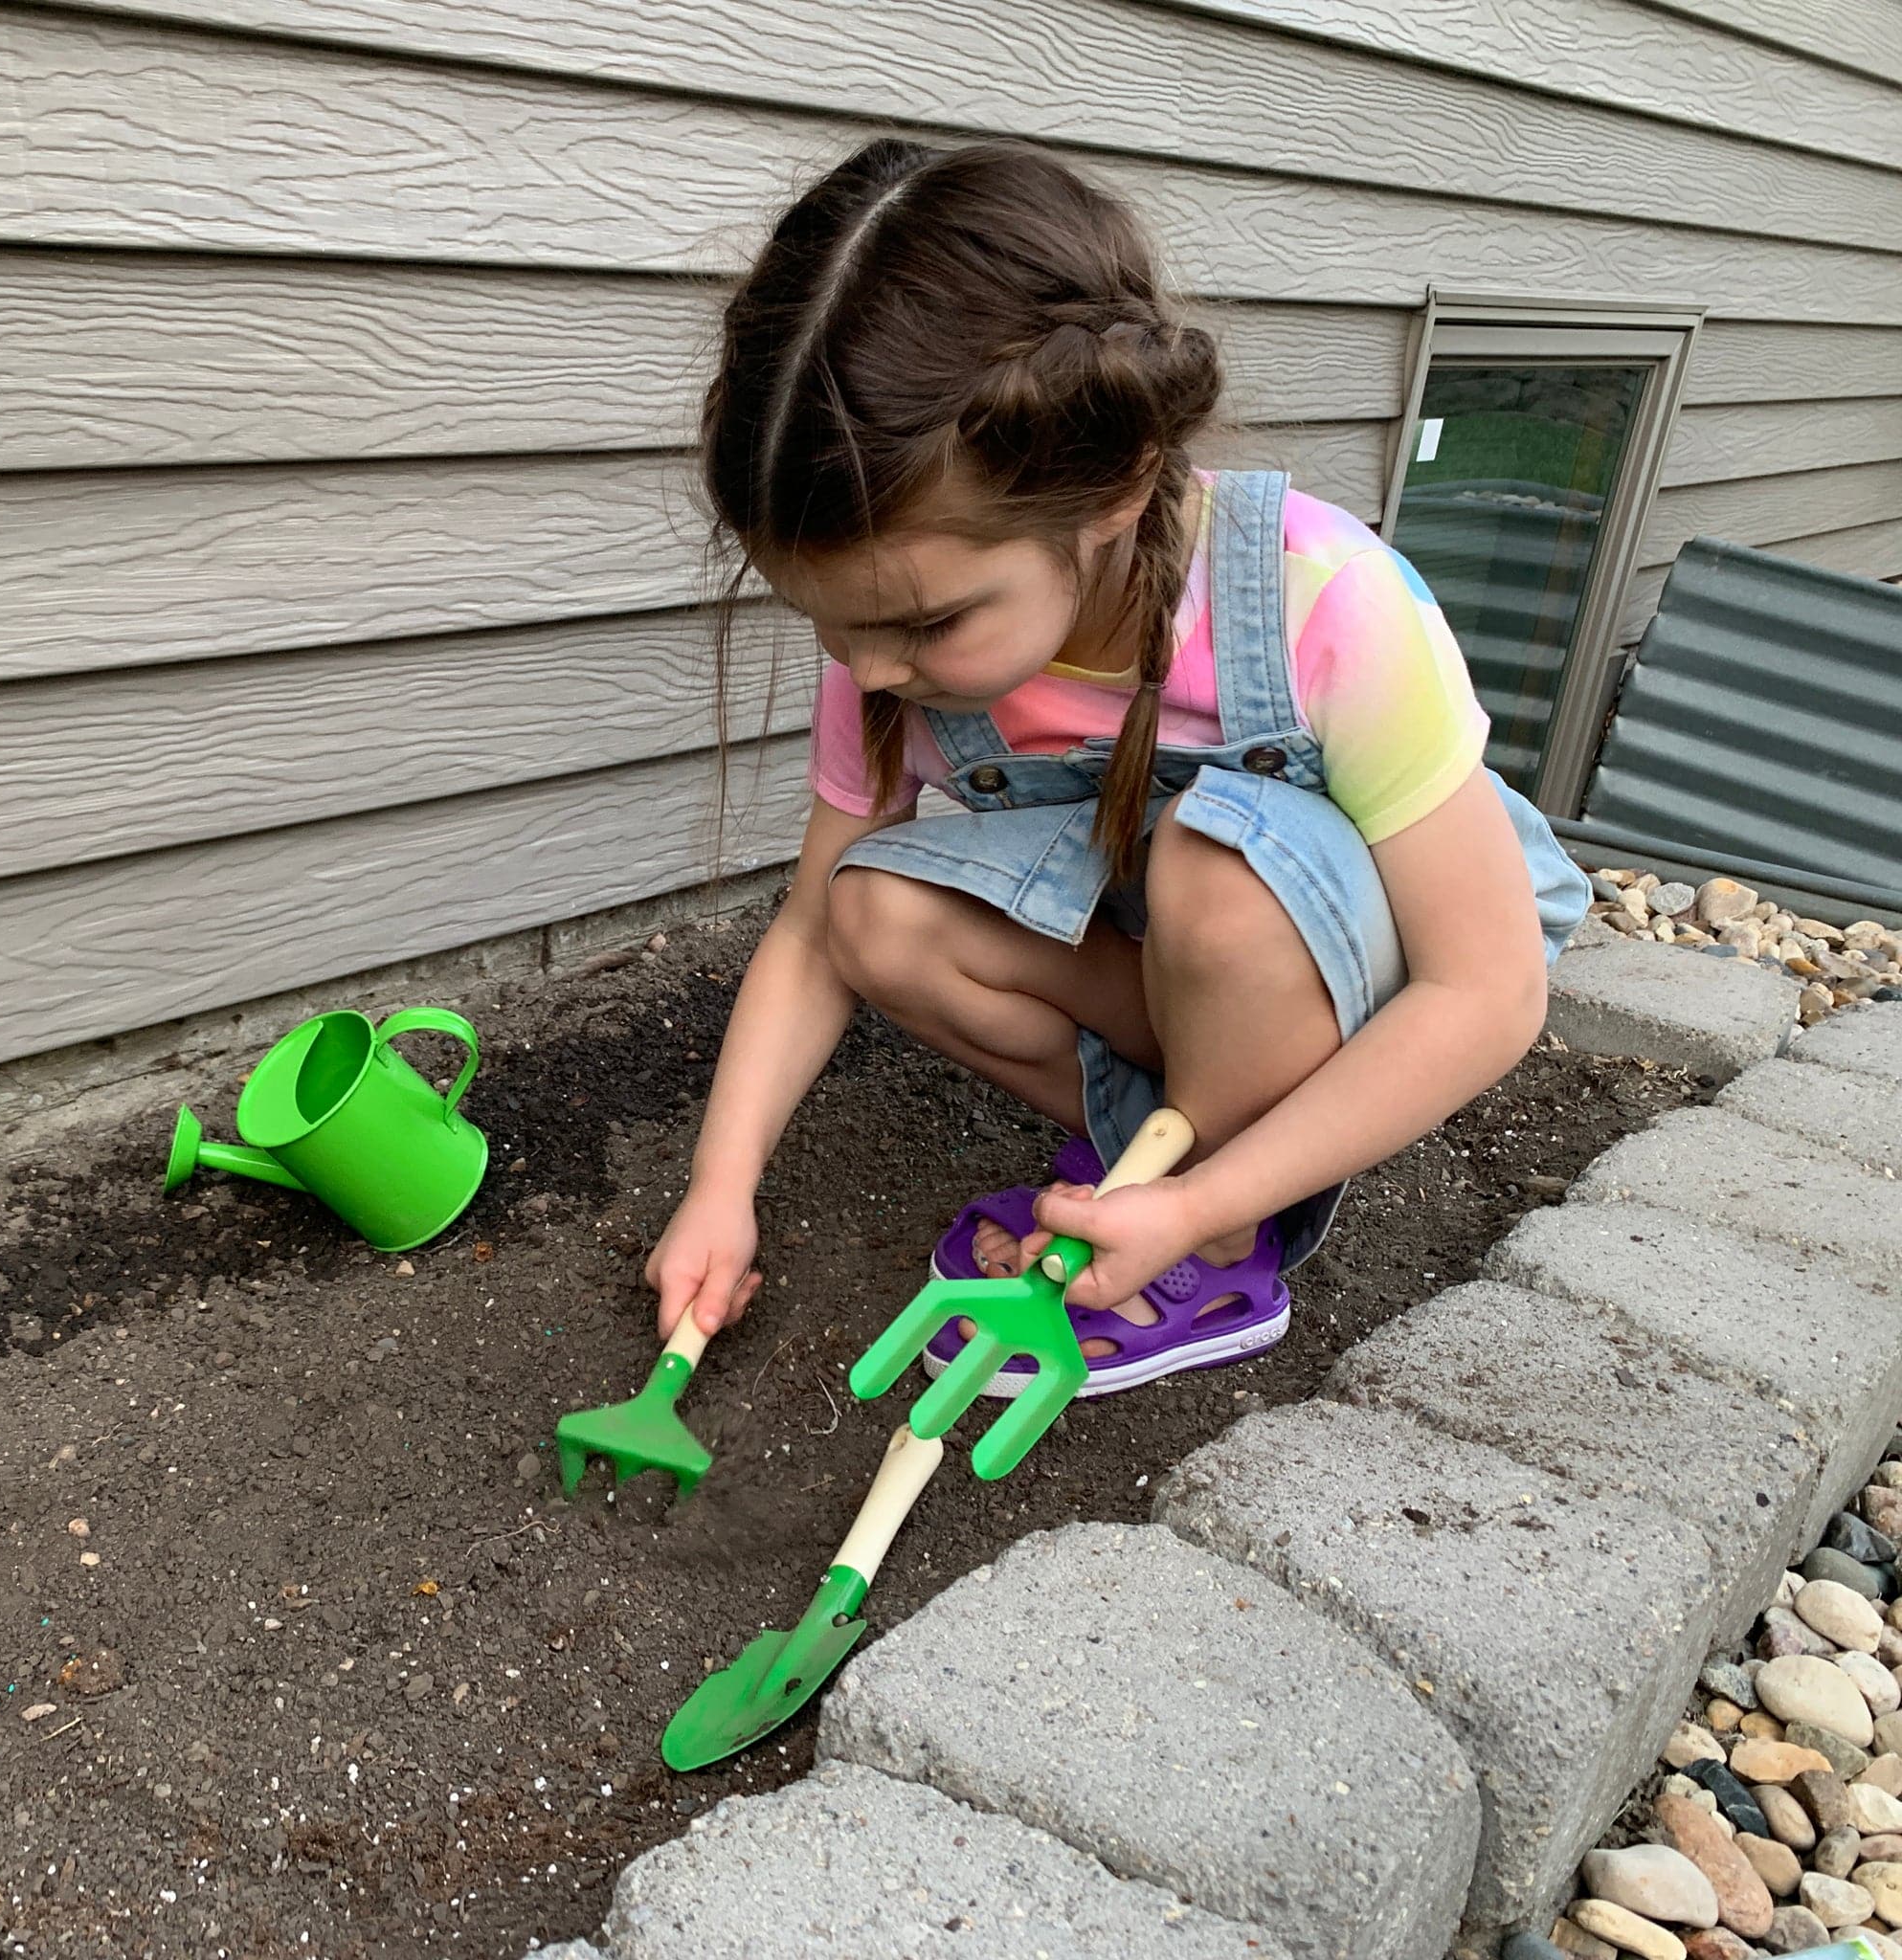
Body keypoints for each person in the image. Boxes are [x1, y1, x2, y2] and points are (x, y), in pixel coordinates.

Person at [646, 137, 1589, 1398]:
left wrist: (1208, 1197)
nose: (869, 672)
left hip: (1376, 982)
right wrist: (722, 1189)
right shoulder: (895, 653)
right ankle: (1141, 1171)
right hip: (1196, 980)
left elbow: (1487, 992)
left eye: (923, 625)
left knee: (1217, 856)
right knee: (871, 904)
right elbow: (816, 937)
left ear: (1114, 487)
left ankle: (1221, 1229)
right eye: (829, 623)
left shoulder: (1326, 603)